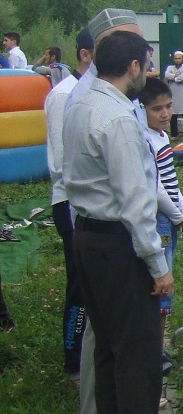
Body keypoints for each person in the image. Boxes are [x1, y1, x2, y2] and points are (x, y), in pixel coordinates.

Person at [63, 22, 183, 414]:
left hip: (87, 236)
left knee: (109, 344)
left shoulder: (82, 102)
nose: (149, 72)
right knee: (138, 350)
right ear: (133, 66)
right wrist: (158, 265)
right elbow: (135, 201)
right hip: (117, 243)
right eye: (148, 64)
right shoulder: (117, 118)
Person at [139, 78, 183, 370]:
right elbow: (155, 188)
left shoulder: (162, 137)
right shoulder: (145, 139)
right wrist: (178, 217)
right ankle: (154, 352)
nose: (164, 114)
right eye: (156, 109)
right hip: (159, 219)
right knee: (161, 284)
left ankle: (157, 346)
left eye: (167, 107)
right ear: (141, 110)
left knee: (166, 280)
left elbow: (171, 183)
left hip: (171, 217)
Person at [44, 28, 92, 383]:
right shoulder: (64, 95)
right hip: (71, 202)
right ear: (86, 55)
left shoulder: (96, 91)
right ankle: (73, 360)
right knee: (79, 284)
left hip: (91, 203)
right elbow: (64, 162)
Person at [163, 51, 183, 139]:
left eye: (179, 58)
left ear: (182, 59)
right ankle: (174, 134)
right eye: (176, 58)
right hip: (173, 95)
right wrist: (175, 76)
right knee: (173, 115)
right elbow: (166, 75)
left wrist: (173, 77)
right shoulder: (170, 67)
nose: (177, 60)